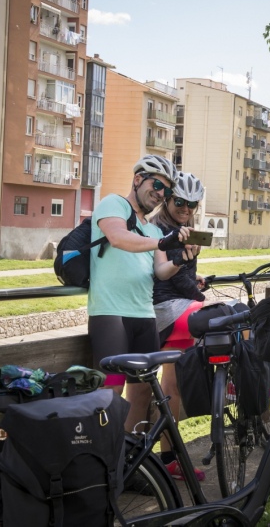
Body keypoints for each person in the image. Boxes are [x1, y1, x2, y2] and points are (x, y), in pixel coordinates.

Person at [87, 155, 197, 434]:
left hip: (145, 318)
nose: (160, 194)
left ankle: (133, 460)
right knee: (110, 394)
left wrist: (181, 260)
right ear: (138, 180)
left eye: (167, 191)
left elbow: (161, 271)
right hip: (111, 315)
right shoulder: (113, 204)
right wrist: (162, 241)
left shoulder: (151, 228)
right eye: (157, 185)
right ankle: (108, 464)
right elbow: (118, 238)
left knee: (141, 395)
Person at [151, 171, 208, 481]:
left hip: (174, 309)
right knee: (230, 316)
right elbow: (167, 279)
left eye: (193, 204)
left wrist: (194, 280)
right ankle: (234, 382)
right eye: (181, 203)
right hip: (167, 311)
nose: (187, 209)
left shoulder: (181, 228)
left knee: (171, 388)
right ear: (169, 199)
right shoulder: (162, 230)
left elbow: (182, 277)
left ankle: (168, 459)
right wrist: (199, 293)